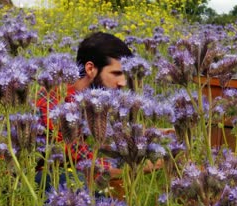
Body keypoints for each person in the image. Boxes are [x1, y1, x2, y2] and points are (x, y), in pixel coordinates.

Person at [35, 32, 159, 192]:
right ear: (90, 68)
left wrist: (154, 134)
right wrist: (146, 165)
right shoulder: (54, 98)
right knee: (78, 182)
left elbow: (105, 142)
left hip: (64, 170)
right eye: (116, 73)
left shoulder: (94, 102)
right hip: (35, 177)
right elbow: (82, 159)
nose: (123, 83)